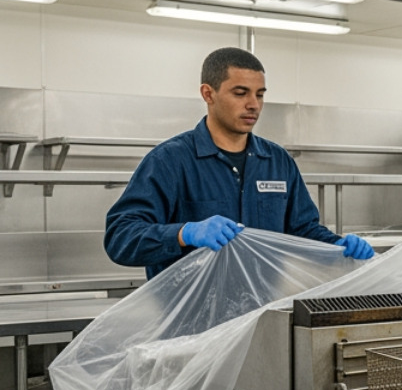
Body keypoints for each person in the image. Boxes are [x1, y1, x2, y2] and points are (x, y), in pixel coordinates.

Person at [105, 47, 374, 278]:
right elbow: (121, 238)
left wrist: (338, 246)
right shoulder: (170, 161)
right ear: (208, 94)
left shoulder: (277, 161)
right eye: (240, 93)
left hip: (261, 314)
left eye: (259, 94)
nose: (253, 104)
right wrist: (185, 233)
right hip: (189, 324)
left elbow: (301, 230)